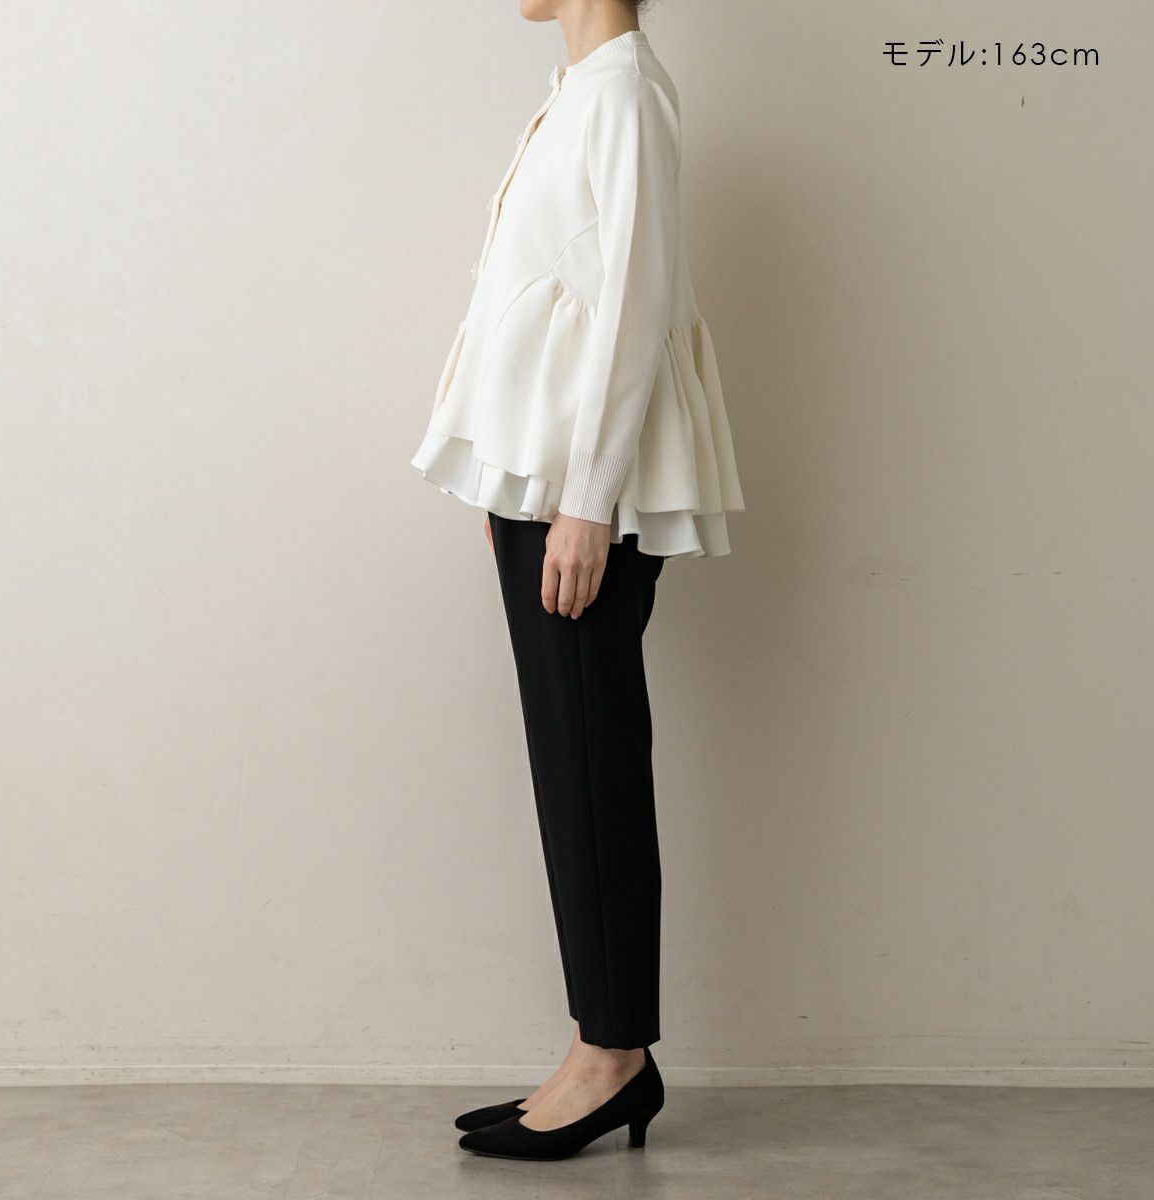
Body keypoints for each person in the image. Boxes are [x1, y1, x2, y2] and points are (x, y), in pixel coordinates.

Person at [409, 0, 745, 1161]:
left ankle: (615, 1058)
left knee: (594, 762)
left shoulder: (626, 95)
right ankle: (596, 1046)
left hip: (584, 501)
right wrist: (509, 485)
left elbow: (634, 310)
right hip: (547, 492)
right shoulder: (583, 93)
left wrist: (587, 502)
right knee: (573, 759)